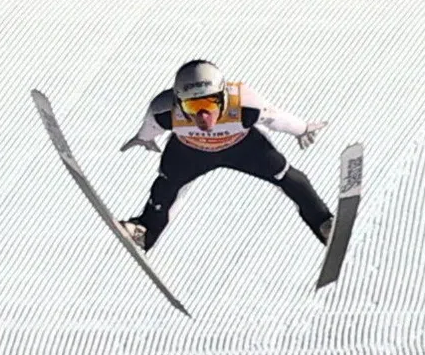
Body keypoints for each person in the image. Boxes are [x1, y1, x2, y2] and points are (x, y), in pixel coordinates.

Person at [118, 59, 333, 252]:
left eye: (210, 103)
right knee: (166, 187)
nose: (203, 116)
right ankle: (145, 230)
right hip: (190, 152)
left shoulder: (244, 103)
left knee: (288, 177)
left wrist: (302, 128)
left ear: (223, 96)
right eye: (193, 105)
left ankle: (324, 223)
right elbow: (151, 125)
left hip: (243, 149)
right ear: (179, 102)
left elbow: (275, 118)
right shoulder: (165, 110)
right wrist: (144, 138)